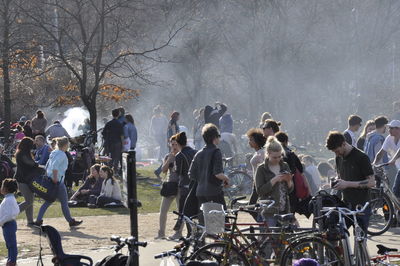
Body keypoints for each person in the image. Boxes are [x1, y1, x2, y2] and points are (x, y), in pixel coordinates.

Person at [326, 131, 375, 232]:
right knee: (337, 235)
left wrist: (347, 184)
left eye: (337, 150)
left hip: (361, 206)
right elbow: (341, 176)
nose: (336, 153)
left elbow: (371, 182)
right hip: (345, 204)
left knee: (360, 240)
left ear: (344, 143)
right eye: (334, 152)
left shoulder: (361, 157)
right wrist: (335, 181)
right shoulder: (338, 157)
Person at [34, 137, 82, 227]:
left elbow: (48, 164)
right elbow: (55, 167)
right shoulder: (62, 154)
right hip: (57, 182)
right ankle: (71, 221)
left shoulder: (54, 152)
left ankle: (38, 220)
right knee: (63, 202)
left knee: (48, 201)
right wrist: (55, 179)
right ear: (65, 145)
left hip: (51, 180)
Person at [188, 123, 230, 224]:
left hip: (200, 192)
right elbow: (217, 173)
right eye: (218, 136)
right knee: (222, 222)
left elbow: (191, 174)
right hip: (214, 192)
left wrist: (202, 178)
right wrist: (227, 179)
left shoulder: (199, 153)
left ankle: (203, 239)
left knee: (204, 223)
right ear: (214, 138)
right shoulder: (216, 152)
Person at [255, 136, 293, 225]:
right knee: (269, 237)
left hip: (284, 209)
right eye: (274, 157)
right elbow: (260, 191)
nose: (277, 159)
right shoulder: (261, 169)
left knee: (284, 238)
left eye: (280, 156)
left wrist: (288, 181)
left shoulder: (285, 166)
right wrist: (274, 180)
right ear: (268, 154)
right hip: (269, 211)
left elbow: (290, 190)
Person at [276, 131, 311, 216]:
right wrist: (308, 189)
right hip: (292, 186)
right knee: (291, 212)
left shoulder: (275, 154)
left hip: (279, 186)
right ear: (286, 141)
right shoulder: (291, 154)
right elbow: (301, 171)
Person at [155, 136, 183, 239]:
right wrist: (169, 160)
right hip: (170, 185)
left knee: (180, 211)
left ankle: (178, 233)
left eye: (176, 144)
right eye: (173, 144)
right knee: (163, 210)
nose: (174, 146)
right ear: (170, 145)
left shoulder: (182, 155)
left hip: (180, 186)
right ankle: (161, 232)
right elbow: (163, 170)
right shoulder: (168, 155)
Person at [14, 137, 44, 226]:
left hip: (27, 180)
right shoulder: (22, 154)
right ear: (27, 145)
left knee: (30, 201)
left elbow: (32, 164)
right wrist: (42, 167)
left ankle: (30, 222)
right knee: (29, 201)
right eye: (31, 145)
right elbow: (31, 164)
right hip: (22, 180)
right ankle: (9, 215)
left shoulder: (24, 153)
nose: (33, 146)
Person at [172, 132, 197, 236]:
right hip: (195, 185)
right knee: (196, 211)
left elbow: (179, 172)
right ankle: (197, 233)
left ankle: (189, 233)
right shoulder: (195, 152)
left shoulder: (179, 155)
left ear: (177, 143)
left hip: (184, 187)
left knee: (185, 212)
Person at [373, 120, 400, 189]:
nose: (389, 130)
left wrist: (393, 159)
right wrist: (373, 164)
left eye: (391, 128)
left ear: (398, 129)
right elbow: (381, 153)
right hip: (398, 168)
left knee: (395, 191)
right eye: (389, 128)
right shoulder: (389, 138)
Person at [246, 128, 266, 220]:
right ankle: (263, 224)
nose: (249, 142)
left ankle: (262, 224)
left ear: (257, 141)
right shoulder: (258, 152)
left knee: (250, 207)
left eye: (251, 140)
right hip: (256, 183)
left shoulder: (261, 153)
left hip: (259, 183)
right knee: (252, 207)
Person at [0, 179, 19, 266]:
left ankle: (12, 261)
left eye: (2, 186)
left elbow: (10, 215)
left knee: (11, 244)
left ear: (6, 189)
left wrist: (1, 221)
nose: (1, 188)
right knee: (9, 244)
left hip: (9, 224)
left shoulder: (9, 200)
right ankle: (10, 259)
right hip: (7, 225)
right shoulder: (9, 198)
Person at [102, 109, 124, 173]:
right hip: (117, 143)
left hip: (110, 143)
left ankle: (109, 170)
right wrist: (122, 145)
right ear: (118, 114)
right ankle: (115, 170)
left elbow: (103, 133)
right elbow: (122, 135)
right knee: (117, 157)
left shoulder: (108, 123)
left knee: (110, 157)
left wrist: (107, 138)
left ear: (112, 114)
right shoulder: (119, 124)